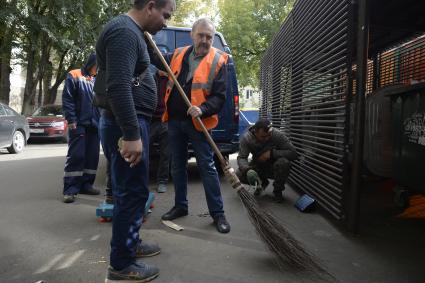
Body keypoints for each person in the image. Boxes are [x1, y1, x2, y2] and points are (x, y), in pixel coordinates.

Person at [95, 0, 175, 282]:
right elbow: (117, 85)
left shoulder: (134, 32)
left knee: (133, 191)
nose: (166, 22)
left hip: (129, 122)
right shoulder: (124, 32)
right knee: (131, 193)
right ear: (150, 6)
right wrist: (131, 134)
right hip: (125, 124)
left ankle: (131, 243)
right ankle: (121, 264)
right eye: (166, 15)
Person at [154, 18, 231, 234]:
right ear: (192, 34)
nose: (205, 40)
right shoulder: (178, 54)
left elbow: (219, 97)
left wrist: (203, 109)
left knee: (207, 167)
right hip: (175, 122)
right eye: (201, 35)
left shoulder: (218, 61)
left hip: (199, 123)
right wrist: (146, 39)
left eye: (209, 36)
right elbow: (158, 60)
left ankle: (218, 213)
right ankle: (180, 206)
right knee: (177, 166)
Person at [62, 53, 100, 203]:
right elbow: (68, 99)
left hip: (95, 124)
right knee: (77, 156)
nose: (98, 69)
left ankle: (86, 185)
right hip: (78, 123)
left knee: (92, 156)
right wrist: (71, 119)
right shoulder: (74, 75)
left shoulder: (98, 78)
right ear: (92, 63)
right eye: (97, 66)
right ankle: (70, 190)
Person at [236, 119, 298, 202]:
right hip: (258, 165)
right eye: (263, 136)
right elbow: (242, 157)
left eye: (269, 135)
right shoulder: (246, 138)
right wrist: (247, 169)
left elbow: (293, 153)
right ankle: (260, 183)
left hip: (274, 167)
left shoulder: (277, 134)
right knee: (239, 174)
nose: (267, 138)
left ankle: (277, 191)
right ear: (255, 132)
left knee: (284, 163)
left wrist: (271, 153)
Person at [149, 66, 170, 193]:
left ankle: (162, 181)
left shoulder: (171, 80)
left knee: (166, 154)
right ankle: (141, 179)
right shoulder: (150, 77)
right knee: (144, 151)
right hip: (151, 121)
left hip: (166, 121)